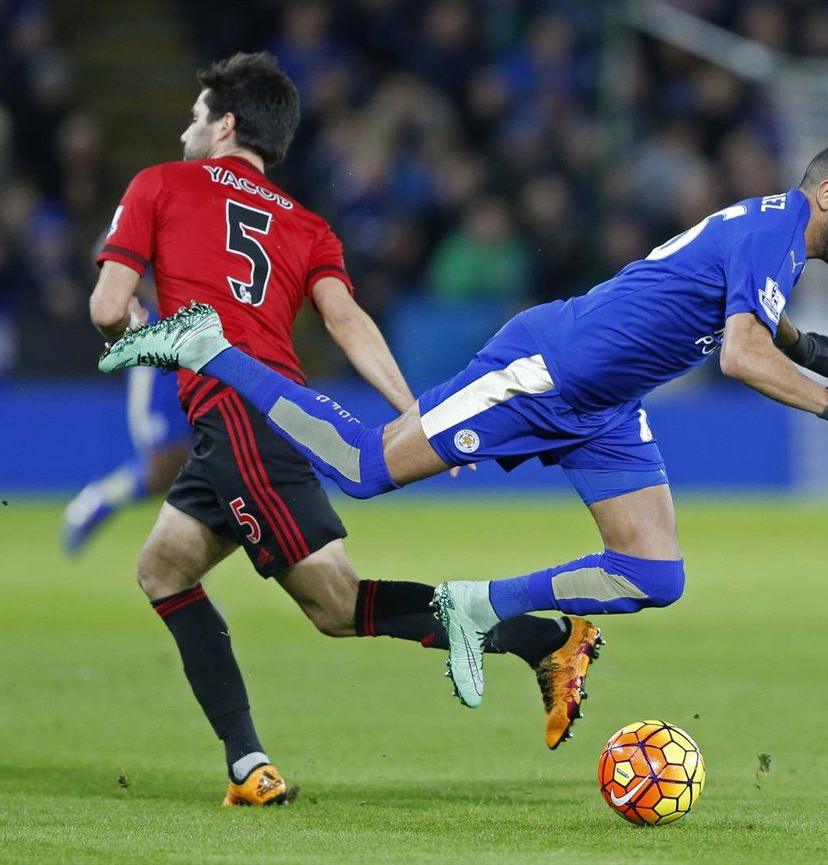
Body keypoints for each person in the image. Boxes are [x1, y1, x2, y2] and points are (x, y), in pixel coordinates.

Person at [100, 135, 828, 711]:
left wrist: (801, 342)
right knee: (363, 468)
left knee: (654, 572)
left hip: (602, 407)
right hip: (542, 372)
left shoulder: (776, 233)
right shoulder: (776, 232)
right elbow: (739, 355)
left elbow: (744, 309)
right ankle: (209, 346)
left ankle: (476, 604)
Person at [87, 52, 602, 807]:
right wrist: (414, 411)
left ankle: (544, 641)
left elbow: (108, 308)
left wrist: (132, 322)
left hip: (235, 414)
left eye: (195, 117)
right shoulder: (307, 226)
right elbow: (347, 320)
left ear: (226, 125)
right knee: (163, 569)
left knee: (335, 605)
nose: (184, 130)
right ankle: (248, 767)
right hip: (275, 411)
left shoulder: (158, 184)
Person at [61, 293, 194, 555]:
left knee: (205, 457)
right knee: (165, 465)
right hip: (162, 339)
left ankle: (192, 566)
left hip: (206, 336)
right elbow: (114, 274)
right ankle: (101, 498)